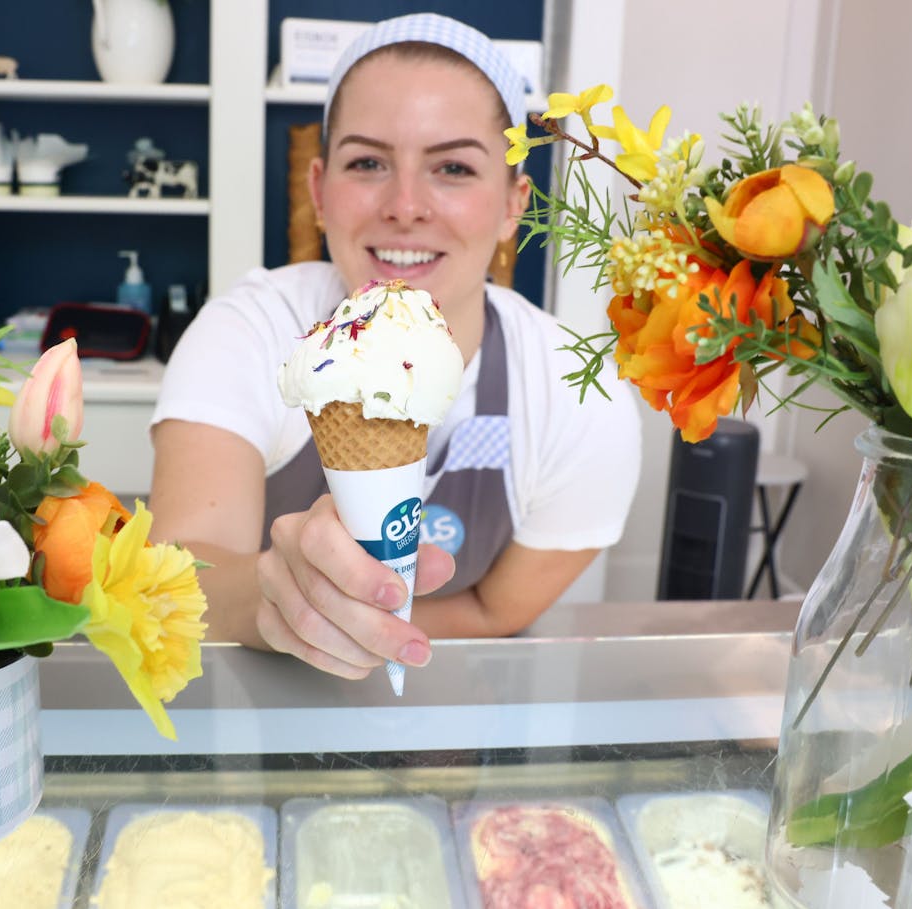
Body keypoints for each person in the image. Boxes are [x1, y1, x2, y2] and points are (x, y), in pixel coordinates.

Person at [148, 13, 640, 679]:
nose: (406, 205)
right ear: (319, 191)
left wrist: (352, 621)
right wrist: (278, 597)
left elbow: (498, 613)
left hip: (453, 726)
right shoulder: (249, 331)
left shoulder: (580, 394)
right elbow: (182, 574)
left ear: (512, 203)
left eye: (455, 168)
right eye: (369, 162)